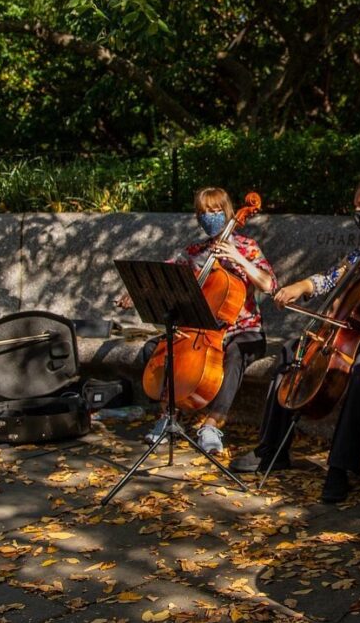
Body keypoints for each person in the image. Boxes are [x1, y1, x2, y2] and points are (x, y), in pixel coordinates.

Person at [231, 168, 360, 503]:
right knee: (292, 352)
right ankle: (272, 450)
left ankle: (340, 469)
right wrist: (299, 287)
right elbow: (332, 278)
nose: (357, 212)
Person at [115, 187, 276, 455]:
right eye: (203, 213)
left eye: (214, 211)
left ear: (226, 212)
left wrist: (237, 257)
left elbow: (269, 284)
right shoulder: (193, 252)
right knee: (156, 349)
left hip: (242, 330)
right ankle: (167, 418)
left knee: (236, 354)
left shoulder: (247, 247)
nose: (208, 217)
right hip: (200, 330)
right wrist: (137, 291)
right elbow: (164, 277)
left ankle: (212, 424)